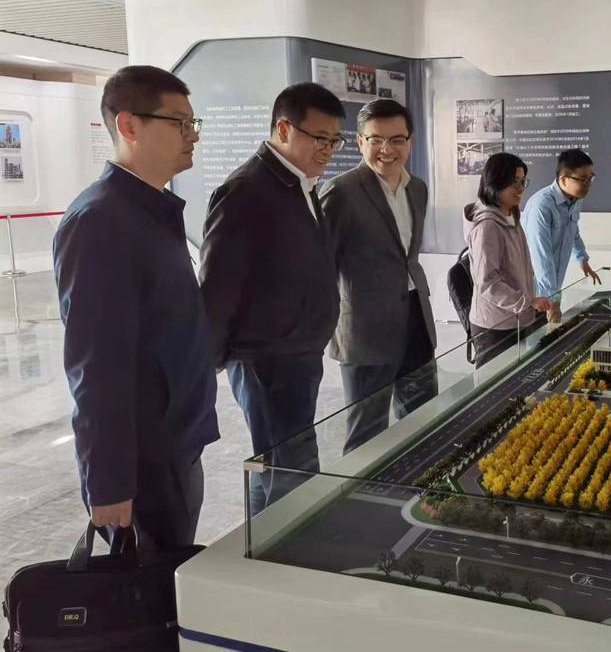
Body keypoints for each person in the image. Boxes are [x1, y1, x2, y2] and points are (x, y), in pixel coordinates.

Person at [53, 65, 218, 548]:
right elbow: (96, 365)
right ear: (129, 126)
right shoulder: (100, 221)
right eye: (179, 123)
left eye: (193, 123)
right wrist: (108, 483)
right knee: (147, 584)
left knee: (173, 569)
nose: (192, 136)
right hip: (144, 458)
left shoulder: (149, 208)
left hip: (174, 443)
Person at [199, 82, 345, 513]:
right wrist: (212, 359)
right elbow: (217, 286)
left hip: (297, 352)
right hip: (266, 357)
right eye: (319, 139)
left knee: (278, 464)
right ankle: (287, 545)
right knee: (294, 470)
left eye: (334, 141)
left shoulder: (299, 183)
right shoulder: (246, 191)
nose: (328, 150)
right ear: (283, 129)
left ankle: (264, 542)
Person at [322, 99, 438, 454]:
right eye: (376, 140)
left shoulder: (417, 188)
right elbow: (321, 265)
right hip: (366, 330)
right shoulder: (341, 191)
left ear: (410, 142)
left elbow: (407, 255)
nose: (387, 150)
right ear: (360, 141)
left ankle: (415, 483)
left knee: (423, 423)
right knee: (367, 435)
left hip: (416, 319)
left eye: (397, 140)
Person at [464, 152, 553, 367]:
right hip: (495, 325)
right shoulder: (488, 226)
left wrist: (531, 300)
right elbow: (488, 282)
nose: (521, 188)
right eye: (514, 182)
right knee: (493, 385)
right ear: (496, 181)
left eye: (523, 181)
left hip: (514, 317)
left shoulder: (510, 215)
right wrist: (527, 302)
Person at [523, 148, 602, 321]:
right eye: (583, 179)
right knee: (533, 334)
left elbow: (573, 230)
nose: (588, 184)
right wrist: (553, 300)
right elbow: (541, 256)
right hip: (534, 295)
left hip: (552, 289)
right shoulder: (542, 206)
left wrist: (582, 259)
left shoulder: (575, 199)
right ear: (564, 179)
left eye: (590, 178)